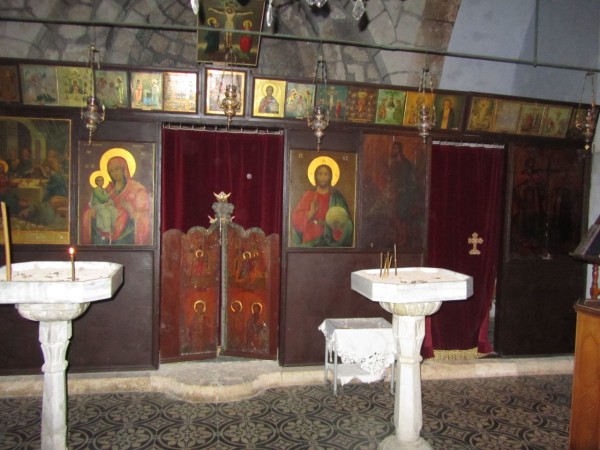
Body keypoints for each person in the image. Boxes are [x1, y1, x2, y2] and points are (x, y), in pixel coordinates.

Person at [82, 154, 151, 245]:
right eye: (111, 171)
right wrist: (93, 212)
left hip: (127, 233)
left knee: (120, 243)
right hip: (106, 228)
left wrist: (131, 211)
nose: (114, 173)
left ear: (124, 169)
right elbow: (93, 205)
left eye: (117, 169)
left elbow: (145, 217)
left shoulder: (137, 189)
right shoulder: (108, 189)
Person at [291, 162, 353, 247]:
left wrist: (331, 222)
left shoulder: (336, 197)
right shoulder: (309, 195)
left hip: (330, 240)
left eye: (326, 174)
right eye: (320, 174)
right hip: (311, 239)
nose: (323, 177)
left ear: (330, 177)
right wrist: (310, 213)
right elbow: (295, 219)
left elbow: (345, 221)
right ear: (316, 176)